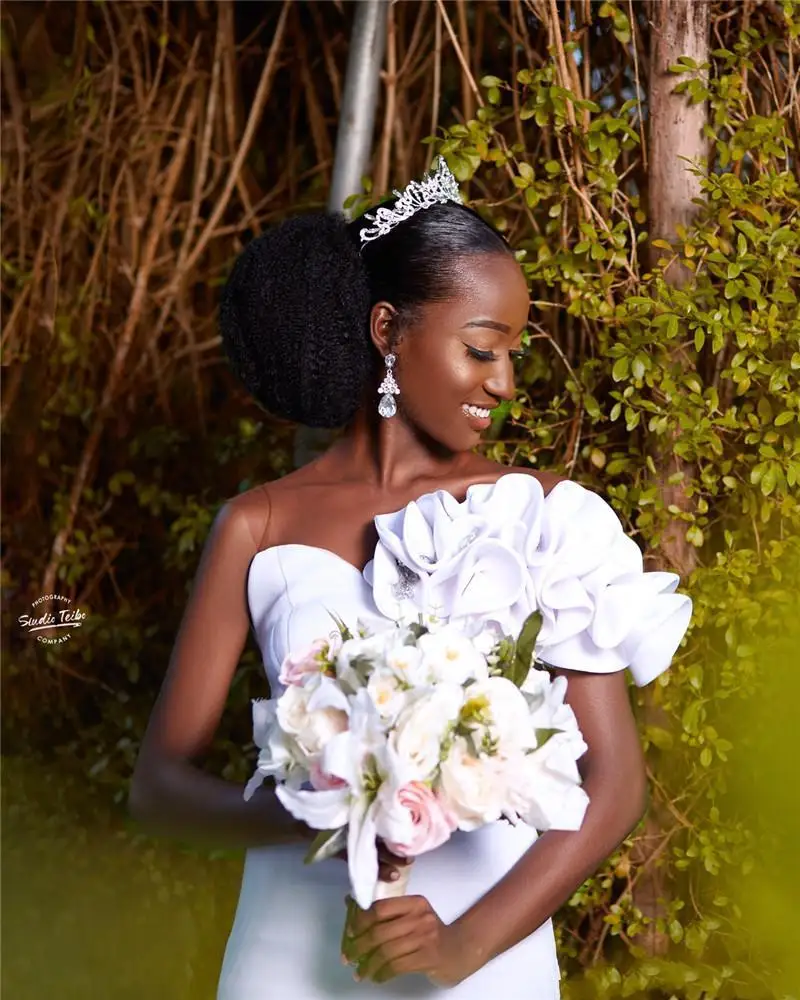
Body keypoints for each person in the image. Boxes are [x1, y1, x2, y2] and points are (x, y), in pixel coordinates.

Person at [130, 159, 692, 999]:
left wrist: (465, 947)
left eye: (512, 355)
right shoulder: (257, 526)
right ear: (388, 330)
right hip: (290, 945)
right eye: (480, 350)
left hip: (478, 956)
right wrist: (307, 810)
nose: (503, 383)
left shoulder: (544, 515)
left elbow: (614, 790)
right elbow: (158, 786)